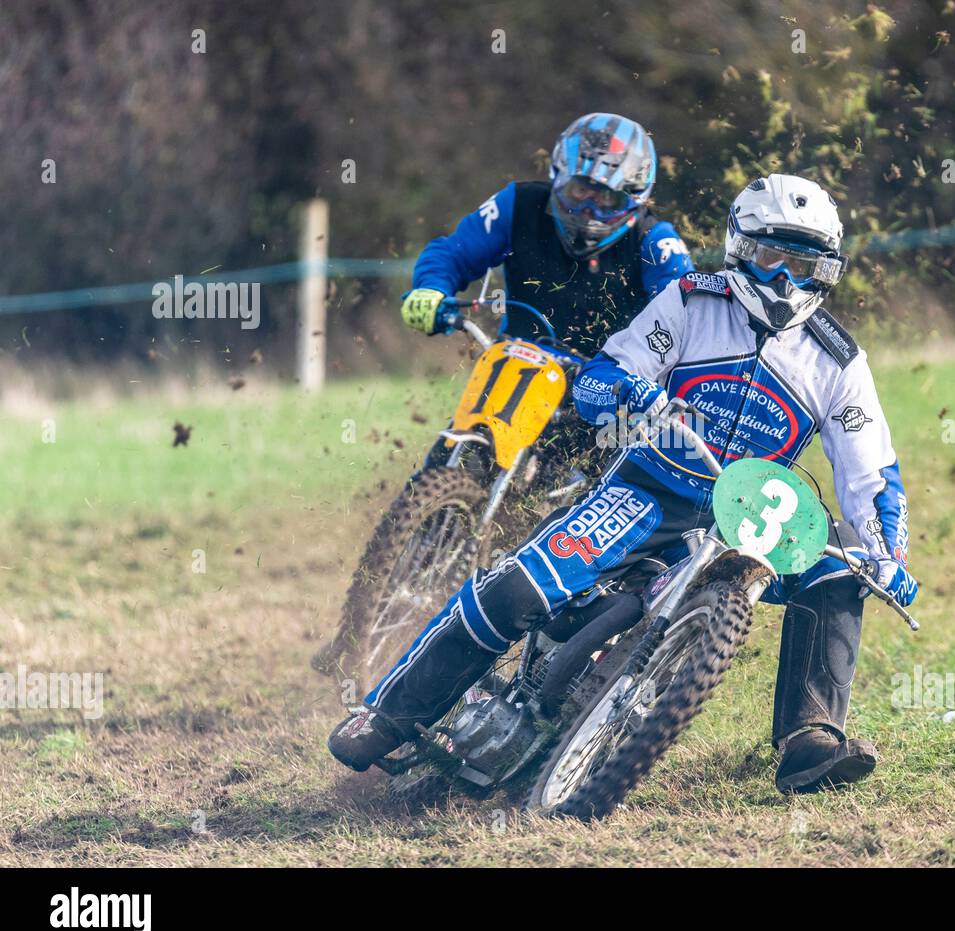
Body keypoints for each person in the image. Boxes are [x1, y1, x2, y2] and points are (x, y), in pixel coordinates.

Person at [330, 173, 918, 795]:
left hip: (748, 520)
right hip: (647, 491)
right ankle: (389, 713)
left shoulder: (840, 362)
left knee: (836, 574)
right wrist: (628, 390)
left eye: (804, 268)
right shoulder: (692, 302)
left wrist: (888, 558)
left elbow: (871, 476)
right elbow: (597, 380)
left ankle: (811, 739)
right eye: (773, 260)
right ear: (742, 248)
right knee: (519, 587)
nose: (784, 282)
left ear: (826, 273)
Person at [400, 112, 693, 359]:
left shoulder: (655, 241)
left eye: (605, 199)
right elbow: (454, 253)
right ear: (558, 178)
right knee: (466, 429)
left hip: (615, 391)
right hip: (518, 367)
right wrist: (432, 289)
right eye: (579, 191)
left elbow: (687, 320)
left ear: (633, 200)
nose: (588, 210)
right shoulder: (518, 204)